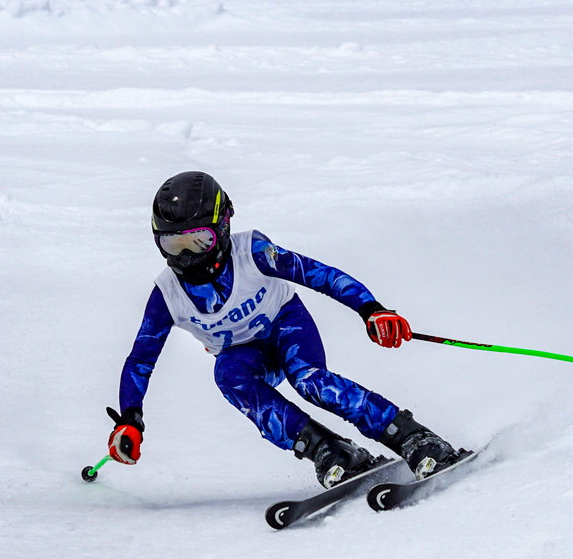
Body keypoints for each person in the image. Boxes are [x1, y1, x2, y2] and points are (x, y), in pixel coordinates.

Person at [105, 170, 461, 489]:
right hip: (243, 356)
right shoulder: (167, 294)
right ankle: (330, 451)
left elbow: (318, 274)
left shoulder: (252, 253)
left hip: (287, 327)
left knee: (308, 380)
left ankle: (414, 438)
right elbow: (140, 361)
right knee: (227, 374)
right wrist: (130, 418)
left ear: (223, 227)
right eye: (172, 243)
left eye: (199, 241)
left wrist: (371, 310)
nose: (186, 256)